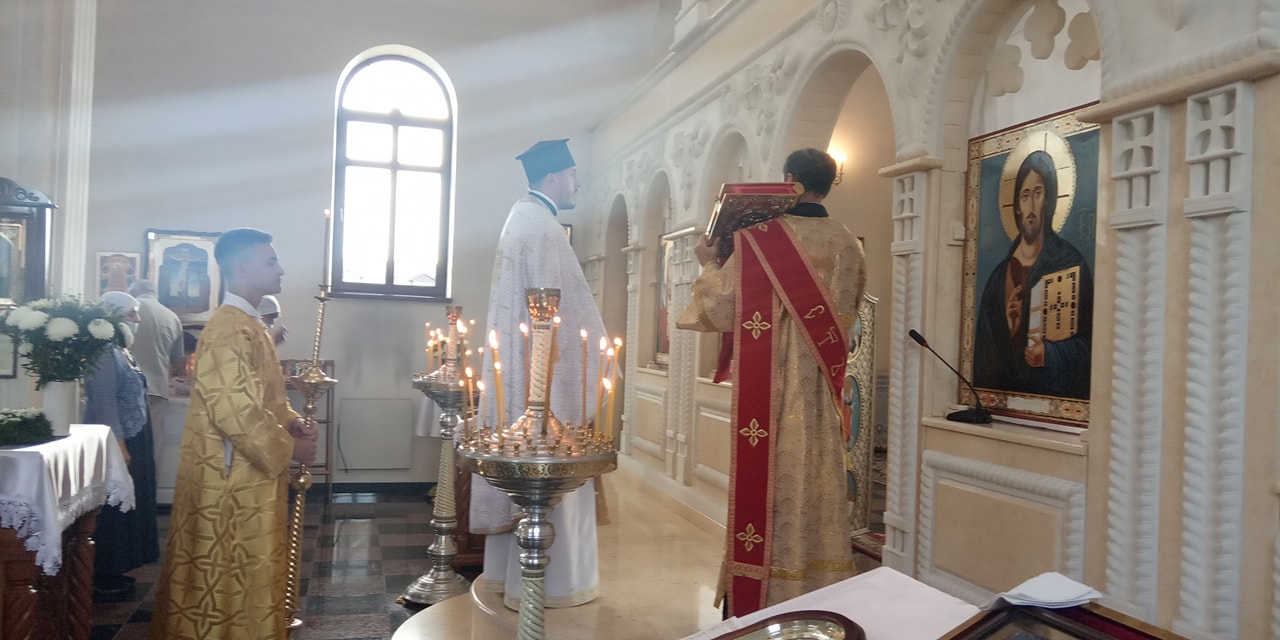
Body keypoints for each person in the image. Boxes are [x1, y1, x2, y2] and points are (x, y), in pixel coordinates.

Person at [677, 148, 865, 617]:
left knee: (776, 481)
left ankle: (766, 596)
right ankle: (817, 591)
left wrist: (707, 263)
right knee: (817, 479)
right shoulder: (849, 244)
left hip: (774, 391)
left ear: (789, 180)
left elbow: (720, 310)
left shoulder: (762, 240)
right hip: (822, 392)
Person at [151, 228, 318, 639]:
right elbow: (235, 410)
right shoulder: (228, 328)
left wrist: (290, 419)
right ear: (241, 268)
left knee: (248, 565)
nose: (281, 270)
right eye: (270, 262)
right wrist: (291, 447)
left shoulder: (250, 323)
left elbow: (262, 394)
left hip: (250, 470)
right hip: (232, 480)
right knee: (230, 568)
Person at [475, 138, 607, 610]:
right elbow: (555, 317)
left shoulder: (521, 218)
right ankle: (555, 585)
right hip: (542, 385)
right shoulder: (545, 228)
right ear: (553, 177)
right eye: (572, 174)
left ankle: (505, 577)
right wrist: (598, 353)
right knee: (551, 465)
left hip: (520, 373)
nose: (578, 182)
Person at [973, 150, 1093, 399]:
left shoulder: (1070, 264)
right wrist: (1009, 331)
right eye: (1024, 196)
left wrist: (1050, 354)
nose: (1030, 206)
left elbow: (1091, 345)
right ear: (1016, 206)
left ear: (1048, 200)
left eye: (1038, 193)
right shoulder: (998, 279)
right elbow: (984, 359)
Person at [85, 290, 160, 602]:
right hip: (118, 438)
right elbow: (105, 403)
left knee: (131, 501)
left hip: (135, 433)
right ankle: (105, 571)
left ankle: (119, 567)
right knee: (115, 505)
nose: (137, 319)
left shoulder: (120, 349)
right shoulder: (103, 352)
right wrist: (119, 445)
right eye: (131, 313)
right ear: (113, 315)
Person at [127, 279, 185, 469]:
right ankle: (150, 485)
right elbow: (178, 362)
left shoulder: (127, 309)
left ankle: (122, 487)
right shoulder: (172, 317)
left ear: (133, 292)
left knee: (124, 443)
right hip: (157, 390)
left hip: (125, 388)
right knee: (153, 444)